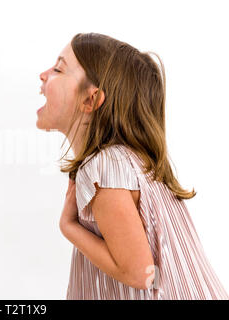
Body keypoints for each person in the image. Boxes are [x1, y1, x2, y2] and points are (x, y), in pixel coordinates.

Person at [37, 32, 228, 299]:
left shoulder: (103, 168)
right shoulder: (133, 162)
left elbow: (140, 273)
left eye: (58, 69)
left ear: (90, 100)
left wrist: (69, 226)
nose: (43, 75)